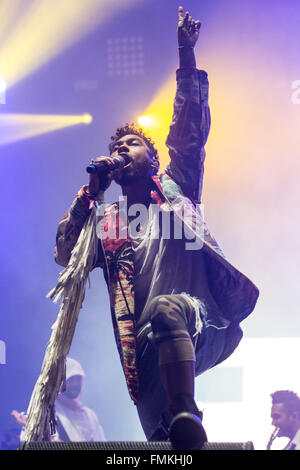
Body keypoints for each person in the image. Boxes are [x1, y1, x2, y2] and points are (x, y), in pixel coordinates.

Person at [24, 7, 259, 448]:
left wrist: (186, 56)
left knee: (168, 309)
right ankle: (180, 422)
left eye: (130, 144)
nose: (120, 149)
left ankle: (187, 410)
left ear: (151, 159)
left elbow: (189, 132)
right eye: (115, 146)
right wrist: (87, 195)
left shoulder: (178, 188)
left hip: (200, 319)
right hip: (146, 352)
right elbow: (63, 252)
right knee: (163, 446)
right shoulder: (107, 224)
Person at [12, 357, 106, 442]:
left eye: (78, 379)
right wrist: (38, 434)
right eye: (70, 379)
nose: (75, 384)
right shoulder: (46, 413)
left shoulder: (89, 415)